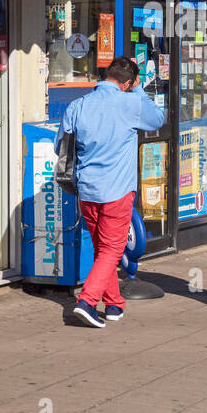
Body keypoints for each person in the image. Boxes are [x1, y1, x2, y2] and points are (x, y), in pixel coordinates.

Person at [59, 56, 165, 328]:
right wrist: (139, 90)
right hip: (117, 190)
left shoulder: (78, 105)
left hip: (87, 191)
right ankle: (87, 301)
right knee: (111, 249)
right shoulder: (130, 102)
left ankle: (114, 304)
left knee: (103, 250)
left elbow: (60, 145)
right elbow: (158, 119)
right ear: (127, 83)